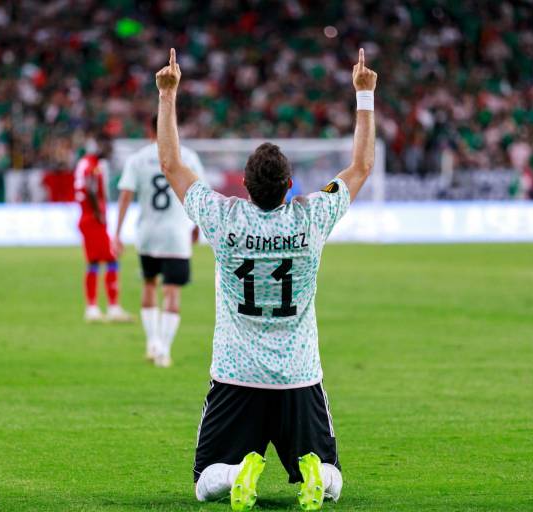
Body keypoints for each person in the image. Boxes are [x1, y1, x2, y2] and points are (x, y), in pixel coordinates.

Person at [154, 48, 377, 510]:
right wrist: (365, 94)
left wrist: (167, 95)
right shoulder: (311, 217)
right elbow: (360, 168)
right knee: (333, 475)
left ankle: (238, 472)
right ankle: (314, 473)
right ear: (290, 185)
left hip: (237, 376)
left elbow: (172, 166)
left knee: (204, 481)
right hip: (298, 375)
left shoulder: (223, 218)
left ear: (244, 185)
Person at [114, 117, 205, 367]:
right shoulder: (187, 156)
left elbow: (124, 196)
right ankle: (164, 349)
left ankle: (152, 342)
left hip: (147, 234)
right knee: (172, 291)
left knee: (149, 285)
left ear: (148, 129)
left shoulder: (138, 158)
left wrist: (117, 233)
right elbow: (200, 192)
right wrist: (197, 225)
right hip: (177, 234)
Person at [73, 137, 132, 323]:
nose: (109, 151)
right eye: (107, 147)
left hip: (91, 219)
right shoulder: (92, 165)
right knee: (110, 258)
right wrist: (98, 212)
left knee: (96, 262)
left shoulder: (87, 163)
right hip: (92, 219)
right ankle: (106, 307)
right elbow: (90, 188)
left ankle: (95, 308)